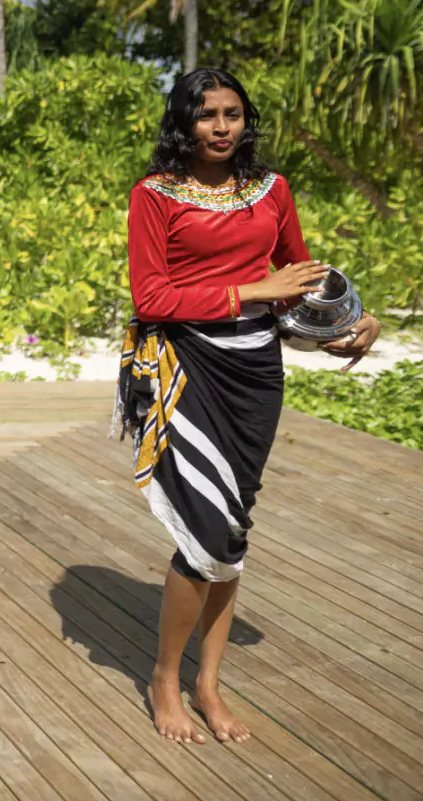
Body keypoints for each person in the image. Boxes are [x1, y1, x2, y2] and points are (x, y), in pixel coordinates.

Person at [117, 68, 379, 745]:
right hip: (188, 370)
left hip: (257, 372)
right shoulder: (154, 195)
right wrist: (249, 289)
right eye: (208, 115)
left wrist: (351, 321)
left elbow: (299, 283)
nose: (224, 126)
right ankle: (165, 680)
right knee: (203, 529)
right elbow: (152, 297)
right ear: (185, 122)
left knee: (231, 531)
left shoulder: (272, 191)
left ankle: (208, 683)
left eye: (234, 113)